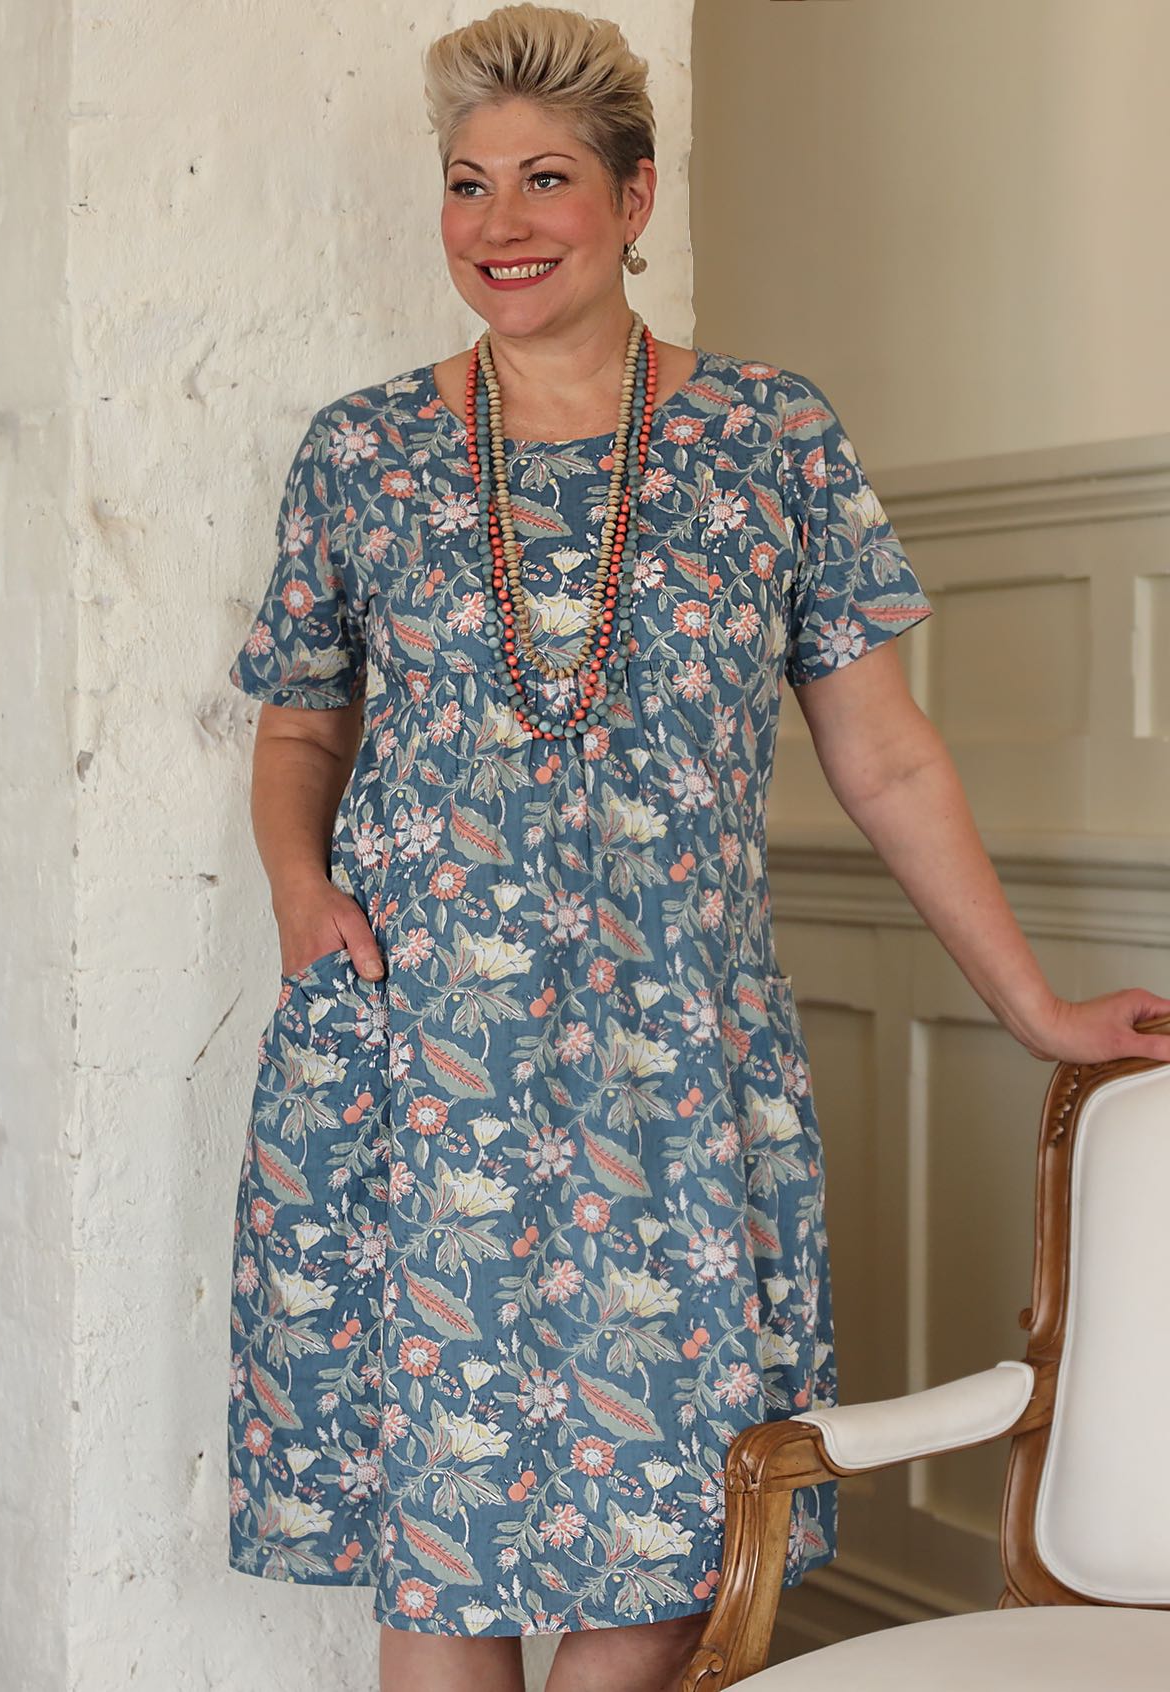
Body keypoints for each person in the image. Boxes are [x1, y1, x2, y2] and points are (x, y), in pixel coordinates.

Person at [223, 6, 1170, 1690]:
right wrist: (302, 894)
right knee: (442, 1572)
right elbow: (300, 722)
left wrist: (1034, 1010)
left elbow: (883, 753)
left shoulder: (768, 438)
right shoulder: (359, 453)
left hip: (674, 1077)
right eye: (463, 185)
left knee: (667, 1546)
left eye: (545, 180)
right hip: (417, 1058)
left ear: (636, 195)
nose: (498, 226)